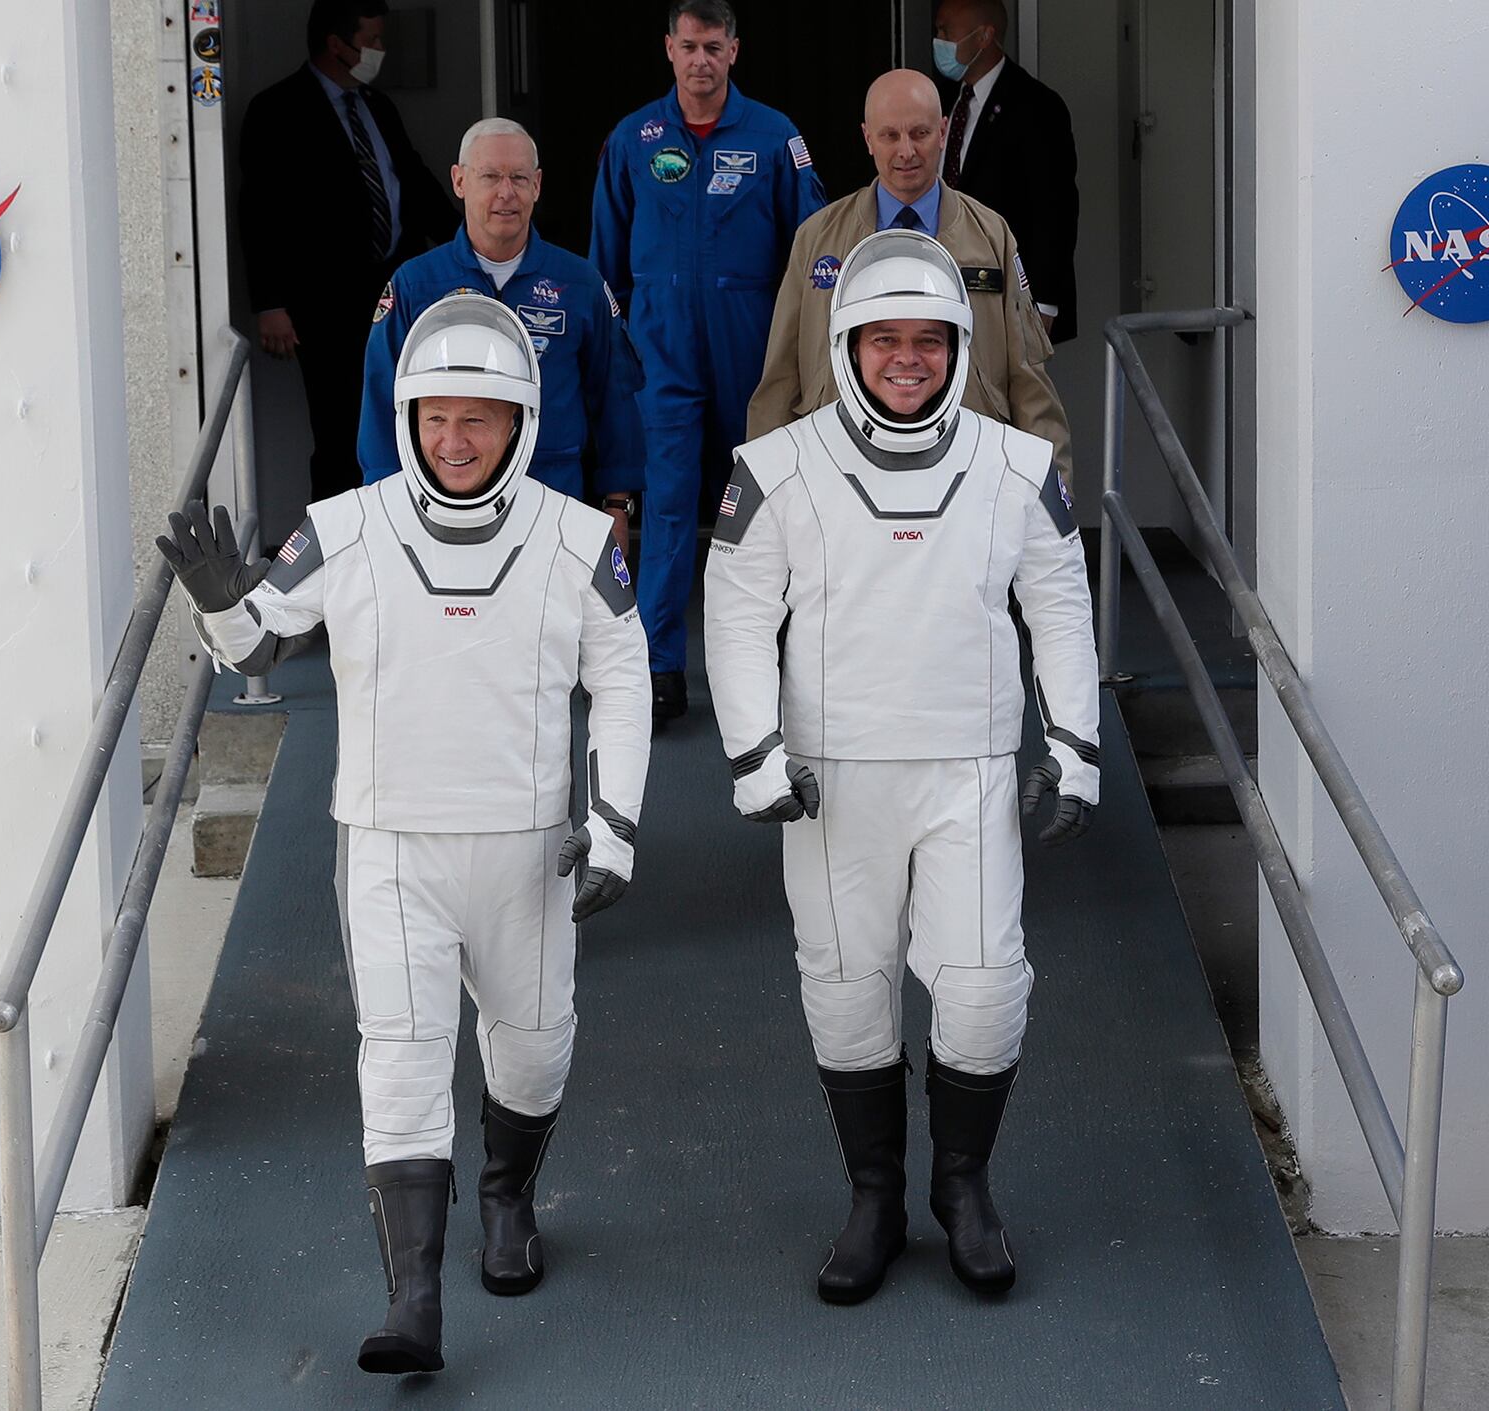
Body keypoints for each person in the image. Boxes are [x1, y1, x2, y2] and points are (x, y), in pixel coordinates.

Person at [159, 296, 650, 1375]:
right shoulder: (343, 526)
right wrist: (213, 598)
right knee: (403, 1055)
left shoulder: (576, 538)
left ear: (520, 421)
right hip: (387, 845)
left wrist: (611, 826)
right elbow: (255, 643)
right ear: (405, 416)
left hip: (526, 845)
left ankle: (507, 1196)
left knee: (532, 1043)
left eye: (478, 419)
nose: (453, 440)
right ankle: (413, 1297)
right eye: (434, 417)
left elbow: (621, 681)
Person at [704, 230, 1098, 1306]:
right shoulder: (774, 467)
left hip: (966, 770)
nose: (908, 360)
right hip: (832, 780)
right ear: (846, 344)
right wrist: (754, 752)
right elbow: (737, 617)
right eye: (886, 340)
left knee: (979, 992)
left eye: (929, 341)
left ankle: (960, 1186)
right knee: (845, 990)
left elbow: (1058, 606)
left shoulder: (1017, 466)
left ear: (960, 345)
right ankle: (871, 1195)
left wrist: (1072, 746)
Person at [590, 0, 824, 726]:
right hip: (662, 356)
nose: (700, 60)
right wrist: (628, 341)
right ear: (668, 48)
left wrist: (798, 350)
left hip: (752, 355)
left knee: (763, 512)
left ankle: (774, 667)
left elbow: (812, 248)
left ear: (734, 52)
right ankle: (660, 670)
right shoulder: (634, 138)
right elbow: (605, 262)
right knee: (663, 508)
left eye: (713, 47)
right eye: (688, 46)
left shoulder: (775, 135)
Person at [746, 69, 1072, 488]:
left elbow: (1029, 382)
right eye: (889, 136)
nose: (906, 152)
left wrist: (1055, 493)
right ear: (867, 138)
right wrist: (761, 491)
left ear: (943, 131)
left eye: (919, 133)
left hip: (968, 468)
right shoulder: (818, 238)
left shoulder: (990, 236)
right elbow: (780, 379)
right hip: (839, 469)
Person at [360, 119, 645, 556]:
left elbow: (614, 400)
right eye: (490, 176)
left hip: (553, 497)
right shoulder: (417, 284)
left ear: (537, 185)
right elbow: (383, 402)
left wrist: (617, 505)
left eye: (518, 178)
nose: (505, 193)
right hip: (440, 504)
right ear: (459, 181)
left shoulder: (579, 284)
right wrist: (385, 508)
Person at [237, 0, 456, 503]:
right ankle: (335, 561)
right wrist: (270, 303)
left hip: (397, 294)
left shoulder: (377, 106)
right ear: (338, 44)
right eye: (373, 40)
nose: (382, 50)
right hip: (326, 303)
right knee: (339, 433)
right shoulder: (279, 109)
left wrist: (468, 250)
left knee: (404, 425)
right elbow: (261, 212)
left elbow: (415, 187)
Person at [934, 0, 1080, 343]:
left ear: (985, 36)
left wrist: (1043, 306)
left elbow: (1054, 213)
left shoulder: (1036, 106)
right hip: (944, 290)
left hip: (1007, 300)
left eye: (946, 31)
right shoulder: (943, 97)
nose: (938, 40)